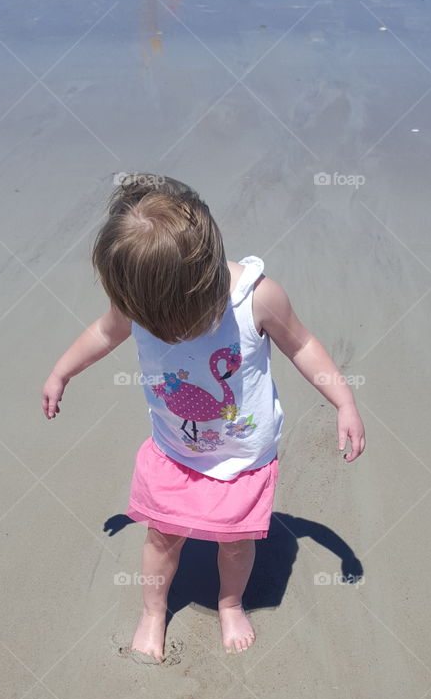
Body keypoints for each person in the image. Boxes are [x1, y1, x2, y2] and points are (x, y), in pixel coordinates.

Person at [41, 174, 366, 662]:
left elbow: (301, 344)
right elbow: (104, 333)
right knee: (161, 536)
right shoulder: (137, 300)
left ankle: (229, 602)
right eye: (158, 327)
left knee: (235, 543)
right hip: (174, 451)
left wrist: (344, 402)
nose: (172, 334)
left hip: (243, 457)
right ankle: (152, 611)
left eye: (183, 323)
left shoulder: (257, 297)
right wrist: (61, 372)